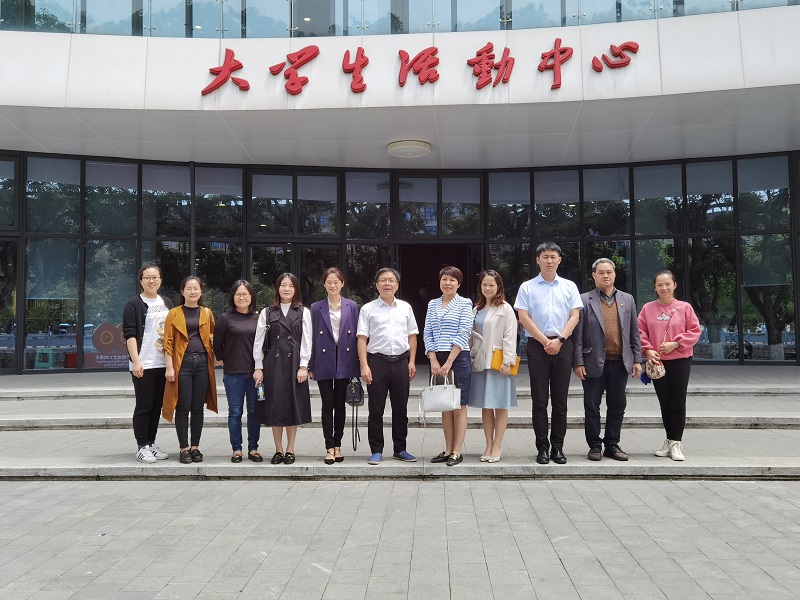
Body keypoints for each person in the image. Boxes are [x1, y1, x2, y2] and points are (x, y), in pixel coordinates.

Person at [515, 241, 583, 465]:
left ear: (559, 260)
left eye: (553, 257)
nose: (549, 261)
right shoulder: (527, 287)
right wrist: (546, 341)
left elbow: (575, 316)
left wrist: (560, 340)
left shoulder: (569, 286)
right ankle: (542, 448)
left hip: (563, 345)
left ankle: (558, 448)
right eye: (545, 257)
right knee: (539, 400)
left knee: (560, 400)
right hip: (538, 346)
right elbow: (523, 317)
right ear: (538, 260)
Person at [573, 258, 642, 462]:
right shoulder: (584, 300)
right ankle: (594, 445)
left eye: (609, 272)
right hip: (592, 361)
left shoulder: (627, 299)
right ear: (594, 275)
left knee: (617, 405)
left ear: (614, 274)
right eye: (601, 272)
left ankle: (612, 444)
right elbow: (577, 334)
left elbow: (634, 331)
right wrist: (578, 361)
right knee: (591, 405)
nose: (605, 275)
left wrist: (637, 359)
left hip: (620, 361)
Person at [638, 270, 702, 461]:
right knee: (664, 402)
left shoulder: (685, 308)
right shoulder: (647, 309)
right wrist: (648, 350)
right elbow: (639, 332)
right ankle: (669, 439)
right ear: (654, 288)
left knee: (678, 401)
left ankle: (676, 443)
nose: (664, 288)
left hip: (680, 360)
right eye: (660, 285)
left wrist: (676, 343)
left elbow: (695, 330)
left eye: (667, 284)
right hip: (657, 362)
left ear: (675, 285)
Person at [357, 267, 419, 465]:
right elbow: (362, 338)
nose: (387, 283)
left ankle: (400, 449)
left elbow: (412, 336)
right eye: (383, 280)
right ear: (376, 285)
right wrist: (364, 365)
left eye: (391, 280)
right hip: (377, 362)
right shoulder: (367, 309)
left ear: (397, 285)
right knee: (376, 409)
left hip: (401, 362)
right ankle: (376, 450)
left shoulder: (405, 308)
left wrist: (411, 361)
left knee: (401, 409)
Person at [253, 273, 312, 465]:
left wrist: (303, 365)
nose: (287, 289)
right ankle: (278, 450)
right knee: (275, 406)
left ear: (296, 289)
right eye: (283, 285)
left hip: (294, 364)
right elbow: (258, 341)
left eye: (291, 286)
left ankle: (290, 449)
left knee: (292, 406)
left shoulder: (303, 312)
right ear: (277, 288)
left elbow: (307, 340)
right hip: (273, 364)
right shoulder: (267, 312)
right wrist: (258, 366)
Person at [162, 276, 218, 464]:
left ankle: (195, 446)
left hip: (202, 363)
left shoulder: (207, 313)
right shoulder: (174, 313)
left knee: (198, 407)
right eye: (189, 288)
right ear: (182, 291)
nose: (192, 292)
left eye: (196, 288)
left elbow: (213, 337)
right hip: (182, 363)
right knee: (183, 406)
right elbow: (168, 342)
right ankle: (184, 448)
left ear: (201, 291)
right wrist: (169, 367)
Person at [423, 266, 474, 466]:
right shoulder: (433, 304)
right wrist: (433, 359)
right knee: (445, 405)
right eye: (444, 279)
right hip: (438, 358)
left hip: (458, 357)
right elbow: (427, 332)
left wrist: (449, 361)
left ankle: (457, 451)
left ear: (458, 284)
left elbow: (464, 332)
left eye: (452, 280)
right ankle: (447, 449)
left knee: (458, 405)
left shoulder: (464, 303)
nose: (448, 283)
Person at [308, 268, 360, 465]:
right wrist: (311, 363)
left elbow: (357, 334)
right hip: (323, 360)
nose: (332, 285)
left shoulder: (351, 306)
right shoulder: (316, 307)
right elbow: (312, 336)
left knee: (340, 404)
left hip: (345, 360)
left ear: (342, 283)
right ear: (324, 284)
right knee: (327, 404)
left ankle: (338, 444)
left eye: (336, 282)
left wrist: (358, 363)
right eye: (329, 282)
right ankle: (329, 446)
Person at [123, 263, 173, 464]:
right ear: (141, 280)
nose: (151, 281)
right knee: (144, 405)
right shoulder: (133, 303)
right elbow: (130, 334)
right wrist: (136, 361)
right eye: (147, 277)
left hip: (163, 363)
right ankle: (141, 446)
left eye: (155, 277)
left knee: (156, 406)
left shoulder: (167, 302)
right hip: (144, 363)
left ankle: (151, 443)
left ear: (160, 280)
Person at [468, 270, 518, 464]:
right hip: (480, 362)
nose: (487, 288)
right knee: (486, 405)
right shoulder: (476, 309)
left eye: (491, 285)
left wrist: (507, 361)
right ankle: (488, 444)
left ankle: (497, 444)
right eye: (484, 284)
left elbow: (510, 336)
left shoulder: (505, 309)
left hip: (498, 364)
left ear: (498, 287)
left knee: (500, 405)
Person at [213, 280, 262, 463]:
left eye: (245, 294)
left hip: (256, 374)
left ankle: (253, 448)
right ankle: (237, 449)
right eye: (238, 294)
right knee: (235, 412)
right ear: (232, 297)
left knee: (254, 412)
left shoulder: (259, 319)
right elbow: (217, 345)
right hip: (233, 373)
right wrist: (224, 361)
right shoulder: (225, 319)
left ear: (251, 297)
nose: (242, 297)